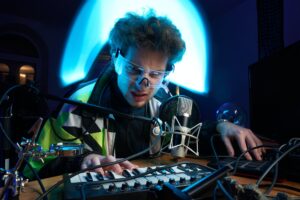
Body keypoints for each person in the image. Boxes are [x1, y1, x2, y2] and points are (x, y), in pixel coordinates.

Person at [23, 10, 264, 179]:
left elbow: (186, 137)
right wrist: (80, 162)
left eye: (156, 73)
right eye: (134, 69)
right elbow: (34, 166)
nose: (144, 84)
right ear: (117, 59)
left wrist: (220, 127)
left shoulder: (163, 103)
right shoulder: (76, 105)